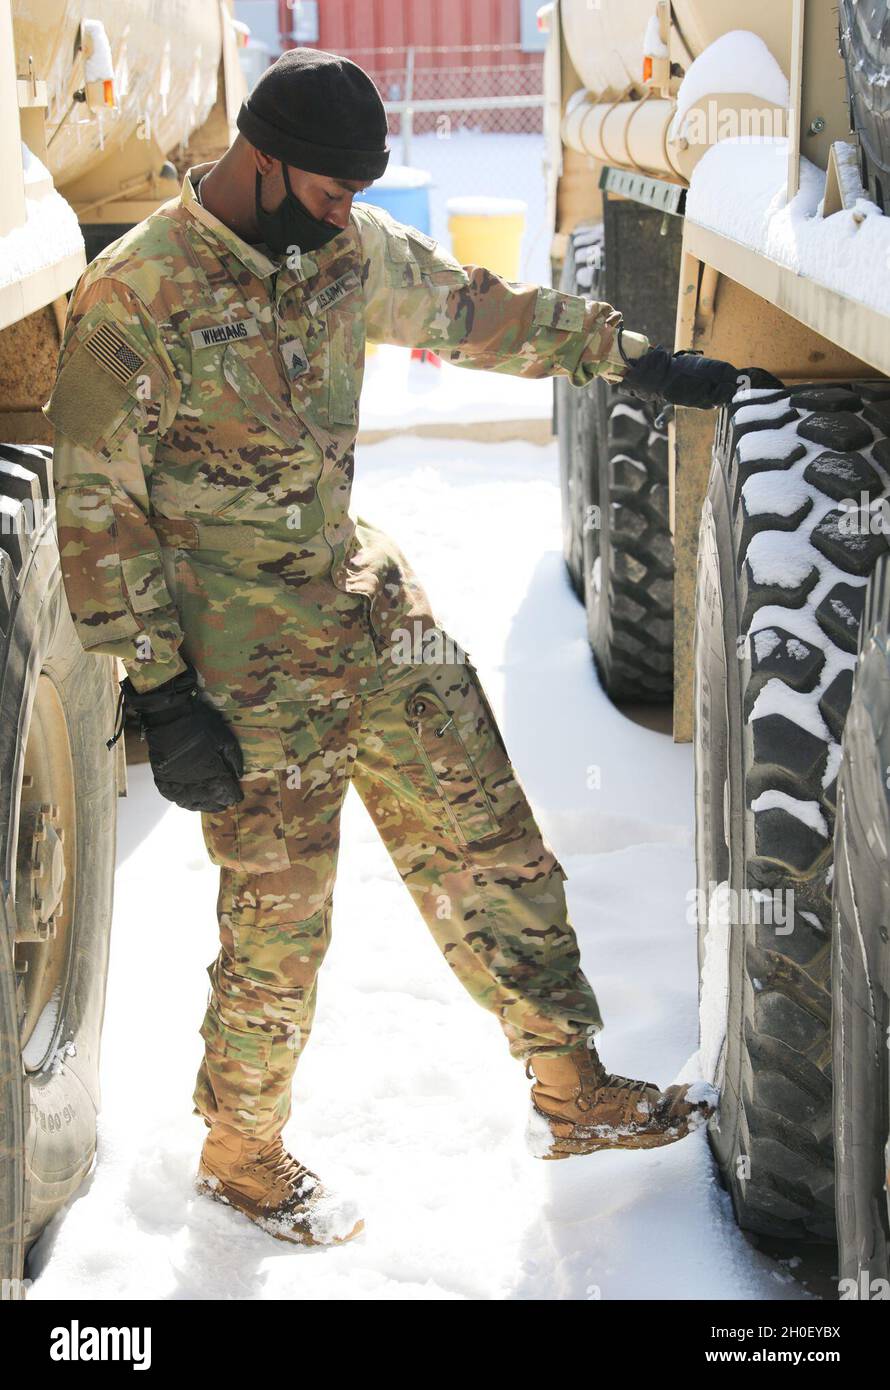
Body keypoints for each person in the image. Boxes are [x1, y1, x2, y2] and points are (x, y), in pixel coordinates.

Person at [44, 48, 742, 1248]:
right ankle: (241, 1153)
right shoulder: (136, 299)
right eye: (326, 190)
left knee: (488, 835)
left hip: (365, 608)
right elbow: (96, 519)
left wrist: (626, 357)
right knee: (279, 919)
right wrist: (159, 693)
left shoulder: (340, 252)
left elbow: (471, 310)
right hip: (238, 662)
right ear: (260, 163)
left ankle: (570, 1087)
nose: (346, 215)